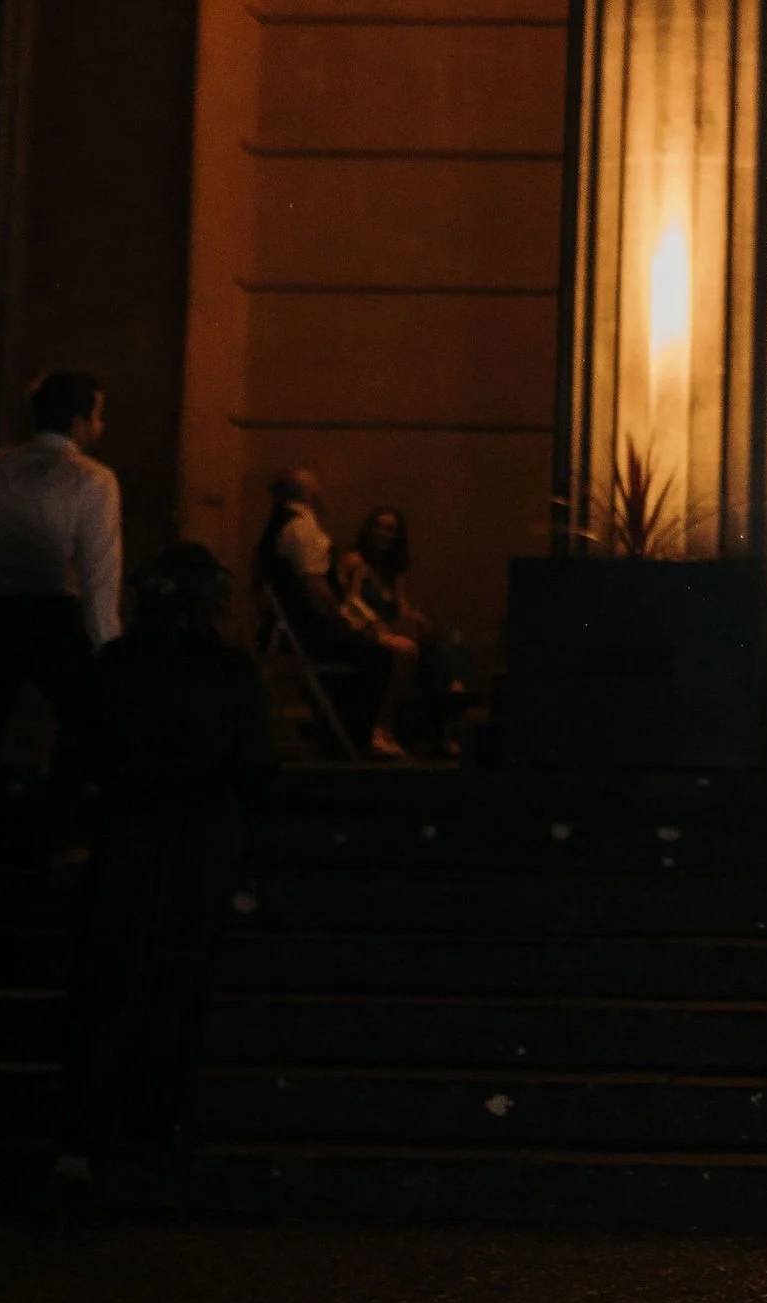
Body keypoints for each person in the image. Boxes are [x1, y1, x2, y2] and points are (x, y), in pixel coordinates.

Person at [60, 544, 274, 1178]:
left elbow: (83, 752)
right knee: (180, 980)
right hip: (201, 840)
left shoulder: (117, 665)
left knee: (112, 977)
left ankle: (93, 1120)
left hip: (129, 832)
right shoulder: (229, 671)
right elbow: (255, 766)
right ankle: (159, 1119)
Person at [0, 369, 121, 835]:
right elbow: (98, 572)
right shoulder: (92, 479)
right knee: (85, 720)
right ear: (82, 419)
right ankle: (58, 826)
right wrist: (109, 649)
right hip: (51, 613)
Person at [253, 469, 394, 755]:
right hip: (306, 629)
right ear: (309, 494)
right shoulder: (303, 528)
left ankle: (336, 731)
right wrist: (343, 621)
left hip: (289, 627)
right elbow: (314, 587)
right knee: (377, 656)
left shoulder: (277, 524)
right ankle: (354, 738)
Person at [338, 509, 467, 756]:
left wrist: (415, 617)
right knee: (408, 651)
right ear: (369, 529)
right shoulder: (354, 562)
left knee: (447, 639)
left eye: (390, 529)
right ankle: (382, 727)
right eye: (380, 527)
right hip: (366, 630)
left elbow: (401, 606)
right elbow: (348, 604)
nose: (384, 534)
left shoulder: (392, 572)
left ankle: (449, 704)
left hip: (391, 628)